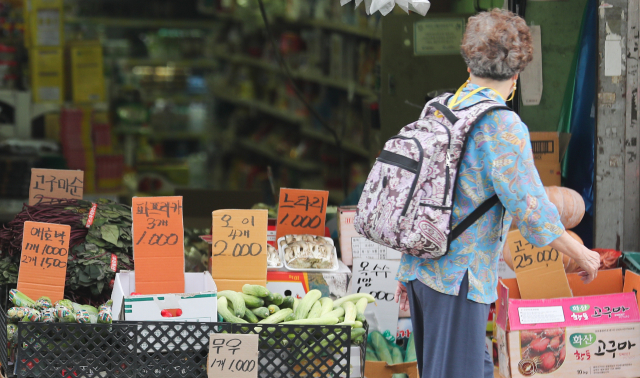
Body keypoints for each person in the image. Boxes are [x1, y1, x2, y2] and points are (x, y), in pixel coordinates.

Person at [393, 9, 600, 378]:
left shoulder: (440, 107)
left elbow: (418, 196)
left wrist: (405, 268)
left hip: (423, 269)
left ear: (469, 62)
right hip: (459, 279)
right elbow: (532, 209)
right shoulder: (502, 126)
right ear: (517, 73)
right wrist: (582, 253)